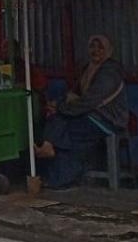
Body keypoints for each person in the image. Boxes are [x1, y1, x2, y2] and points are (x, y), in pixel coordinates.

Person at [34, 34, 129, 189]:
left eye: (100, 47)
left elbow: (89, 101)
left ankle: (52, 157)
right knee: (59, 124)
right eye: (92, 46)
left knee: (66, 134)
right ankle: (52, 160)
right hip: (90, 115)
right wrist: (57, 104)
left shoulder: (110, 72)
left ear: (108, 50)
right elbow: (75, 93)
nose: (95, 51)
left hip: (107, 120)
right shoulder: (89, 69)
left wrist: (61, 108)